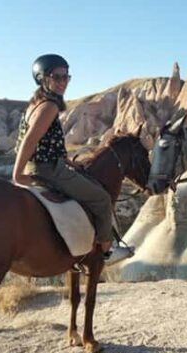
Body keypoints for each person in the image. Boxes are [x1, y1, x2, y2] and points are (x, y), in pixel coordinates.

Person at [12, 53, 134, 264]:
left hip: (49, 165)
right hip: (48, 170)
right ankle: (107, 251)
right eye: (57, 77)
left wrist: (69, 162)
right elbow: (30, 140)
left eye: (66, 77)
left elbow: (47, 143)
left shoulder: (36, 104)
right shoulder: (49, 107)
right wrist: (18, 174)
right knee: (102, 199)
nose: (63, 82)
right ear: (42, 79)